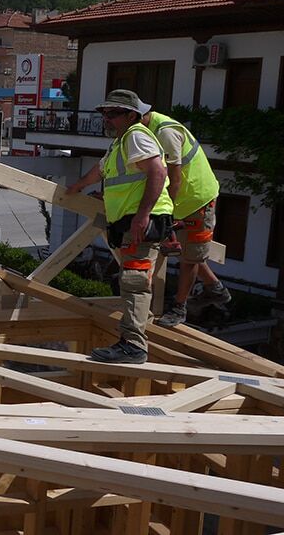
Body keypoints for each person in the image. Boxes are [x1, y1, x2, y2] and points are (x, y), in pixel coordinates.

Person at [67, 89, 174, 364]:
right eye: (104, 114)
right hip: (128, 221)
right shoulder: (120, 143)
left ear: (132, 115)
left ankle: (134, 346)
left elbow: (158, 172)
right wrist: (76, 187)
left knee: (135, 283)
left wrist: (143, 214)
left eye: (113, 114)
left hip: (139, 221)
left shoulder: (136, 136)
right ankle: (132, 339)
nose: (107, 119)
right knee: (132, 281)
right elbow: (99, 172)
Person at [144, 110, 231, 327]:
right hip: (181, 201)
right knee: (186, 249)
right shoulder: (141, 131)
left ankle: (178, 308)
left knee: (189, 257)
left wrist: (165, 212)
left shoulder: (166, 132)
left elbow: (174, 178)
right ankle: (215, 288)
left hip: (196, 199)